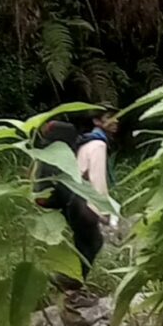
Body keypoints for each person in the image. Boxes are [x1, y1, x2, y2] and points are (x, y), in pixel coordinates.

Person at [35, 114, 107, 276]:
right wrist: (102, 210)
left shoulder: (51, 152)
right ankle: (69, 285)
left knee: (82, 243)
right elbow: (97, 180)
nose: (116, 121)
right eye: (111, 117)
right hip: (78, 201)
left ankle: (68, 283)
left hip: (62, 200)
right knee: (92, 243)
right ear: (97, 121)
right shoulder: (97, 144)